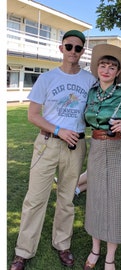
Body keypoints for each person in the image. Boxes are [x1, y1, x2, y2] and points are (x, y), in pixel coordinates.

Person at [10, 30, 97, 270]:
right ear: (61, 48)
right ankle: (23, 251)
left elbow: (98, 107)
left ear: (82, 52)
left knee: (67, 198)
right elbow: (33, 115)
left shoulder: (90, 81)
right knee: (35, 199)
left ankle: (62, 244)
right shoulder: (47, 78)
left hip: (76, 145)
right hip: (48, 143)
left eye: (78, 48)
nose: (73, 52)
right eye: (69, 46)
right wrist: (59, 130)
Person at [83, 44, 121, 270]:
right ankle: (94, 249)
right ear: (97, 68)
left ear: (118, 72)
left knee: (116, 202)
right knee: (97, 199)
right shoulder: (90, 93)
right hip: (97, 148)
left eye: (112, 67)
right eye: (103, 65)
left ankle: (110, 256)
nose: (106, 70)